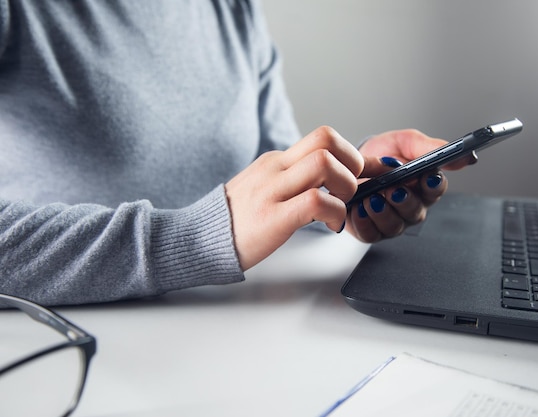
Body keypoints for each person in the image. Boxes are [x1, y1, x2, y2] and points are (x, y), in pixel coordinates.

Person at [0, 0, 471, 307]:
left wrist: (347, 183)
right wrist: (189, 240)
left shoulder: (229, 9)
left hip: (236, 346)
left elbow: (270, 185)